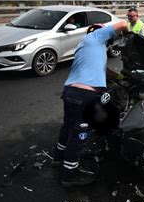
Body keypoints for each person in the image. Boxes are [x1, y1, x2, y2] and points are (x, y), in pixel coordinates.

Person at [53, 20, 129, 187]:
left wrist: (122, 78)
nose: (111, 39)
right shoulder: (95, 37)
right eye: (109, 36)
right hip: (84, 95)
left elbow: (103, 72)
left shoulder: (89, 47)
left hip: (71, 92)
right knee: (80, 133)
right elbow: (123, 23)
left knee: (68, 127)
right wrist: (128, 34)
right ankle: (69, 174)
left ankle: (58, 158)